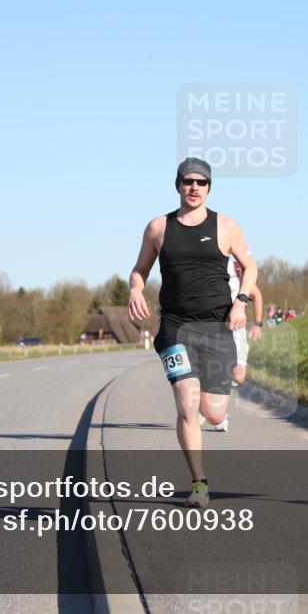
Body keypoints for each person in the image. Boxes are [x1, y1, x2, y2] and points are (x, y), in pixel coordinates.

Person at [128, 157, 257, 508]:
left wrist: (241, 302)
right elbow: (139, 269)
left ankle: (206, 413)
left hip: (217, 327)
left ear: (209, 187)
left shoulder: (226, 226)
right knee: (187, 407)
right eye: (188, 182)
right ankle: (199, 483)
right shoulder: (158, 227)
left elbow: (250, 266)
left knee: (213, 414)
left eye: (202, 182)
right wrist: (135, 289)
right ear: (178, 185)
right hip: (176, 327)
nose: (195, 188)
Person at [199, 256, 263, 432]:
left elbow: (256, 295)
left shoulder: (238, 269)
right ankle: (217, 413)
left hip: (236, 328)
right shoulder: (205, 267)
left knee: (239, 376)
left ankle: (210, 401)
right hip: (214, 328)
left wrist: (258, 324)